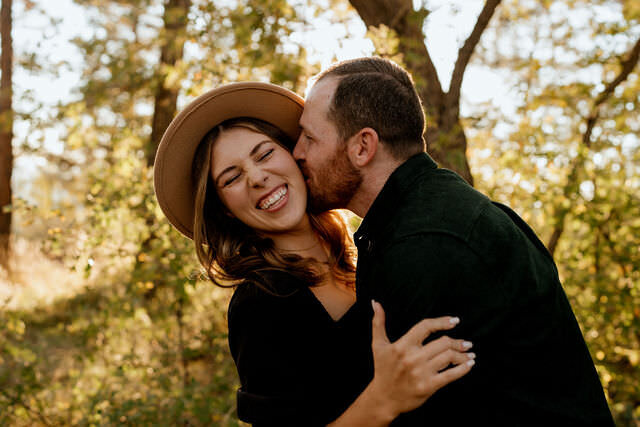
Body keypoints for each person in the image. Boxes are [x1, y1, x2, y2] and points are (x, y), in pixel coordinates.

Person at [292, 56, 615, 425]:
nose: (297, 152)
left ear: (363, 147)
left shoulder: (421, 248)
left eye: (310, 138)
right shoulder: (439, 212)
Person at [153, 82, 476, 426]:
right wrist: (383, 400)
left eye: (264, 154)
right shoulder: (260, 302)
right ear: (226, 210)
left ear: (294, 155)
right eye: (232, 178)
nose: (257, 177)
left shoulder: (366, 251)